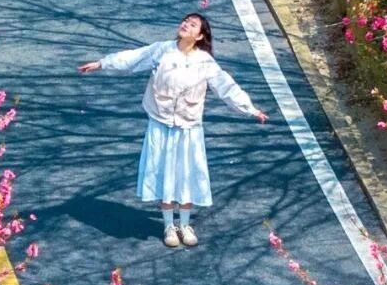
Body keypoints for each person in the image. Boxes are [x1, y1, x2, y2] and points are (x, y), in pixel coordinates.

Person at [79, 13, 269, 247]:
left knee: (187, 175)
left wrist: (250, 110)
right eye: (185, 22)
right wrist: (102, 63)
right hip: (161, 125)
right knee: (164, 174)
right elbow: (133, 59)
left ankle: (185, 224)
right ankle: (169, 225)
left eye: (192, 25)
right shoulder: (162, 50)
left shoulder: (205, 62)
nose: (185, 25)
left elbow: (227, 87)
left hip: (189, 128)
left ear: (199, 36)